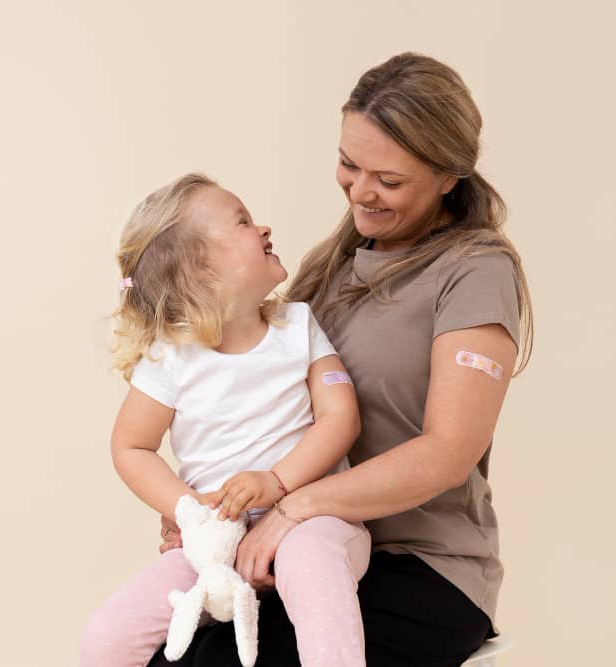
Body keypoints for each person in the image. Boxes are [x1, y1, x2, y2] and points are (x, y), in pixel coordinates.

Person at [151, 52, 534, 667]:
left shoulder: (474, 273)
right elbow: (265, 409)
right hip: (303, 547)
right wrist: (206, 513)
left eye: (388, 178)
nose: (359, 190)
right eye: (348, 164)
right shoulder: (327, 268)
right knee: (163, 653)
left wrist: (294, 507)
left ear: (447, 175)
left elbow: (448, 451)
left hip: (423, 566)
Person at [81, 174, 372, 667]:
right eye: (241, 220)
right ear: (200, 270)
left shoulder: (298, 326)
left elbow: (340, 418)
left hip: (312, 520)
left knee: (313, 567)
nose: (262, 227)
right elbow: (130, 446)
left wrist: (277, 482)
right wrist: (189, 513)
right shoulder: (169, 357)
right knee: (105, 638)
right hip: (214, 545)